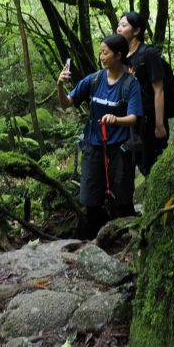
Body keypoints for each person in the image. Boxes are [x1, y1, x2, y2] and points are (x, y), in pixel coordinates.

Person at [57, 34, 143, 238]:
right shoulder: (94, 80)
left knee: (123, 198)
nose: (101, 56)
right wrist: (59, 85)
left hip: (119, 148)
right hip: (93, 145)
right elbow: (66, 103)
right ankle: (95, 240)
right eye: (100, 52)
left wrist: (116, 119)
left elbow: (133, 117)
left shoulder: (130, 84)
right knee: (90, 198)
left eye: (105, 52)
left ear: (118, 55)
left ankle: (127, 236)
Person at [116, 11, 168, 176]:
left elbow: (158, 90)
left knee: (155, 165)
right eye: (118, 25)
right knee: (143, 166)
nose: (118, 29)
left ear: (137, 30)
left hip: (151, 121)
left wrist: (159, 125)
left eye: (124, 25)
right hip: (133, 123)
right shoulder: (121, 58)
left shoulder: (148, 54)